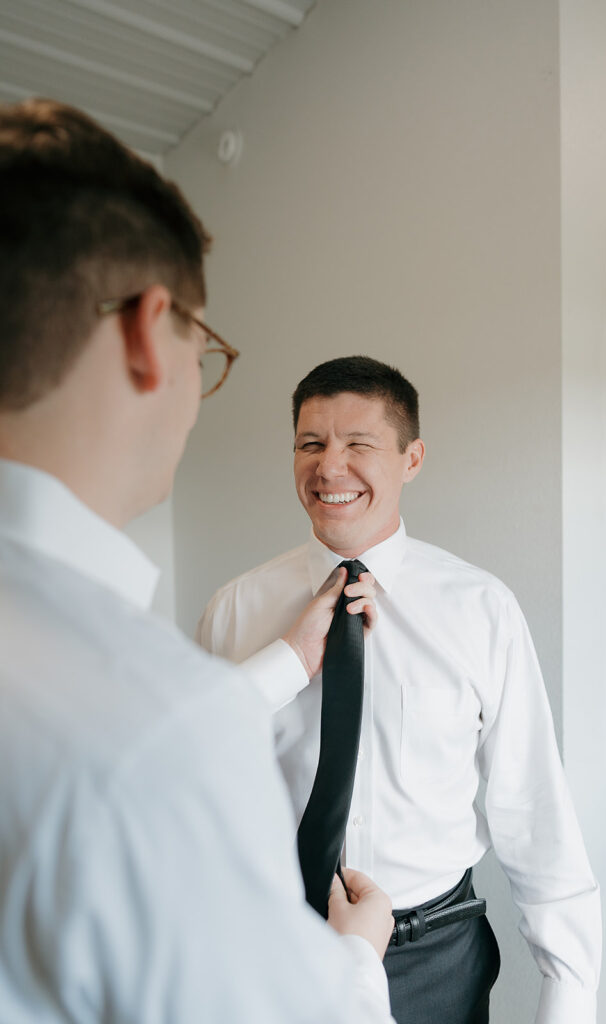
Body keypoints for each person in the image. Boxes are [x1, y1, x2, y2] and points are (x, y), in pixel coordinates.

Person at [0, 99, 397, 1023]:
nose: (328, 467)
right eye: (202, 348)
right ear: (147, 331)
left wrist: (282, 668)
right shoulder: (162, 723)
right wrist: (353, 964)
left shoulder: (169, 707)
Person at [198, 355, 603, 1024]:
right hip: (270, 946)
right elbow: (189, 782)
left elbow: (534, 818)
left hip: (434, 956)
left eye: (358, 444)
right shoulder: (234, 610)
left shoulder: (481, 610)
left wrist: (567, 1003)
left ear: (411, 459)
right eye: (310, 444)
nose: (328, 467)